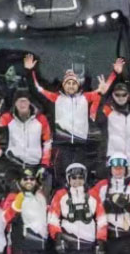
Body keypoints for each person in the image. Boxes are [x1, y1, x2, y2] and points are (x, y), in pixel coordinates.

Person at [27, 53, 124, 185]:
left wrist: (115, 73)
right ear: (63, 85)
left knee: (81, 178)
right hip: (62, 146)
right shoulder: (55, 99)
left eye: (74, 83)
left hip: (81, 146)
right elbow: (37, 89)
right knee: (62, 179)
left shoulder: (86, 97)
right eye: (68, 83)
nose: (71, 86)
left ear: (78, 85)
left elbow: (104, 91)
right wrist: (29, 71)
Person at [0, 92, 52, 179]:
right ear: (15, 104)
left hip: (34, 165)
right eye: (19, 101)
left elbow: (47, 142)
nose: (22, 104)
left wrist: (44, 163)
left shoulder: (41, 119)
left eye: (24, 101)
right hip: (13, 163)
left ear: (29, 102)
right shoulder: (7, 118)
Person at [100, 80, 130, 180]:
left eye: (123, 94)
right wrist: (101, 94)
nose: (121, 97)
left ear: (128, 95)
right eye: (117, 95)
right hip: (115, 162)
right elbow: (96, 114)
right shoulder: (107, 111)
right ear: (113, 95)